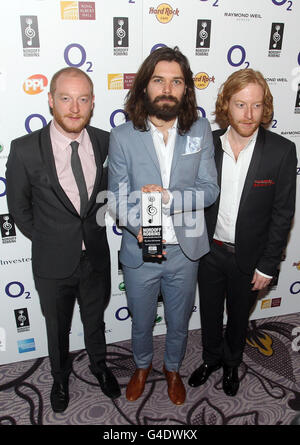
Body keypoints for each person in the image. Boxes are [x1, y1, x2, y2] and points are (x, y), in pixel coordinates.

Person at [108, 46, 219, 405]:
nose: (167, 88)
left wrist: (169, 197)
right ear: (145, 87)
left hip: (185, 252)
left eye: (176, 81)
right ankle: (142, 366)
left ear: (186, 89)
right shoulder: (123, 135)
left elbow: (209, 190)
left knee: (178, 320)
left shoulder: (200, 129)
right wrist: (140, 228)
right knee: (141, 320)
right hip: (141, 248)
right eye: (159, 80)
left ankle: (172, 368)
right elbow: (117, 198)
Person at [6, 67, 121, 413]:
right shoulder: (25, 149)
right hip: (52, 261)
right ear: (51, 100)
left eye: (83, 99)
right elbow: (19, 208)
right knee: (56, 327)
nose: (74, 108)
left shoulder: (106, 141)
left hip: (96, 257)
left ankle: (100, 367)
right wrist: (50, 239)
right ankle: (59, 377)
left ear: (92, 103)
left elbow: (111, 195)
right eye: (66, 98)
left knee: (95, 320)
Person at [188, 69, 297, 396]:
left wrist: (269, 264)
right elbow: (192, 198)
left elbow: (283, 213)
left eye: (257, 105)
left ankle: (232, 362)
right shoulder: (206, 144)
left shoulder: (281, 150)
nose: (249, 114)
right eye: (240, 104)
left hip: (250, 258)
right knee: (208, 312)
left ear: (266, 108)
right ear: (226, 105)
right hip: (209, 251)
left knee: (238, 316)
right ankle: (210, 359)